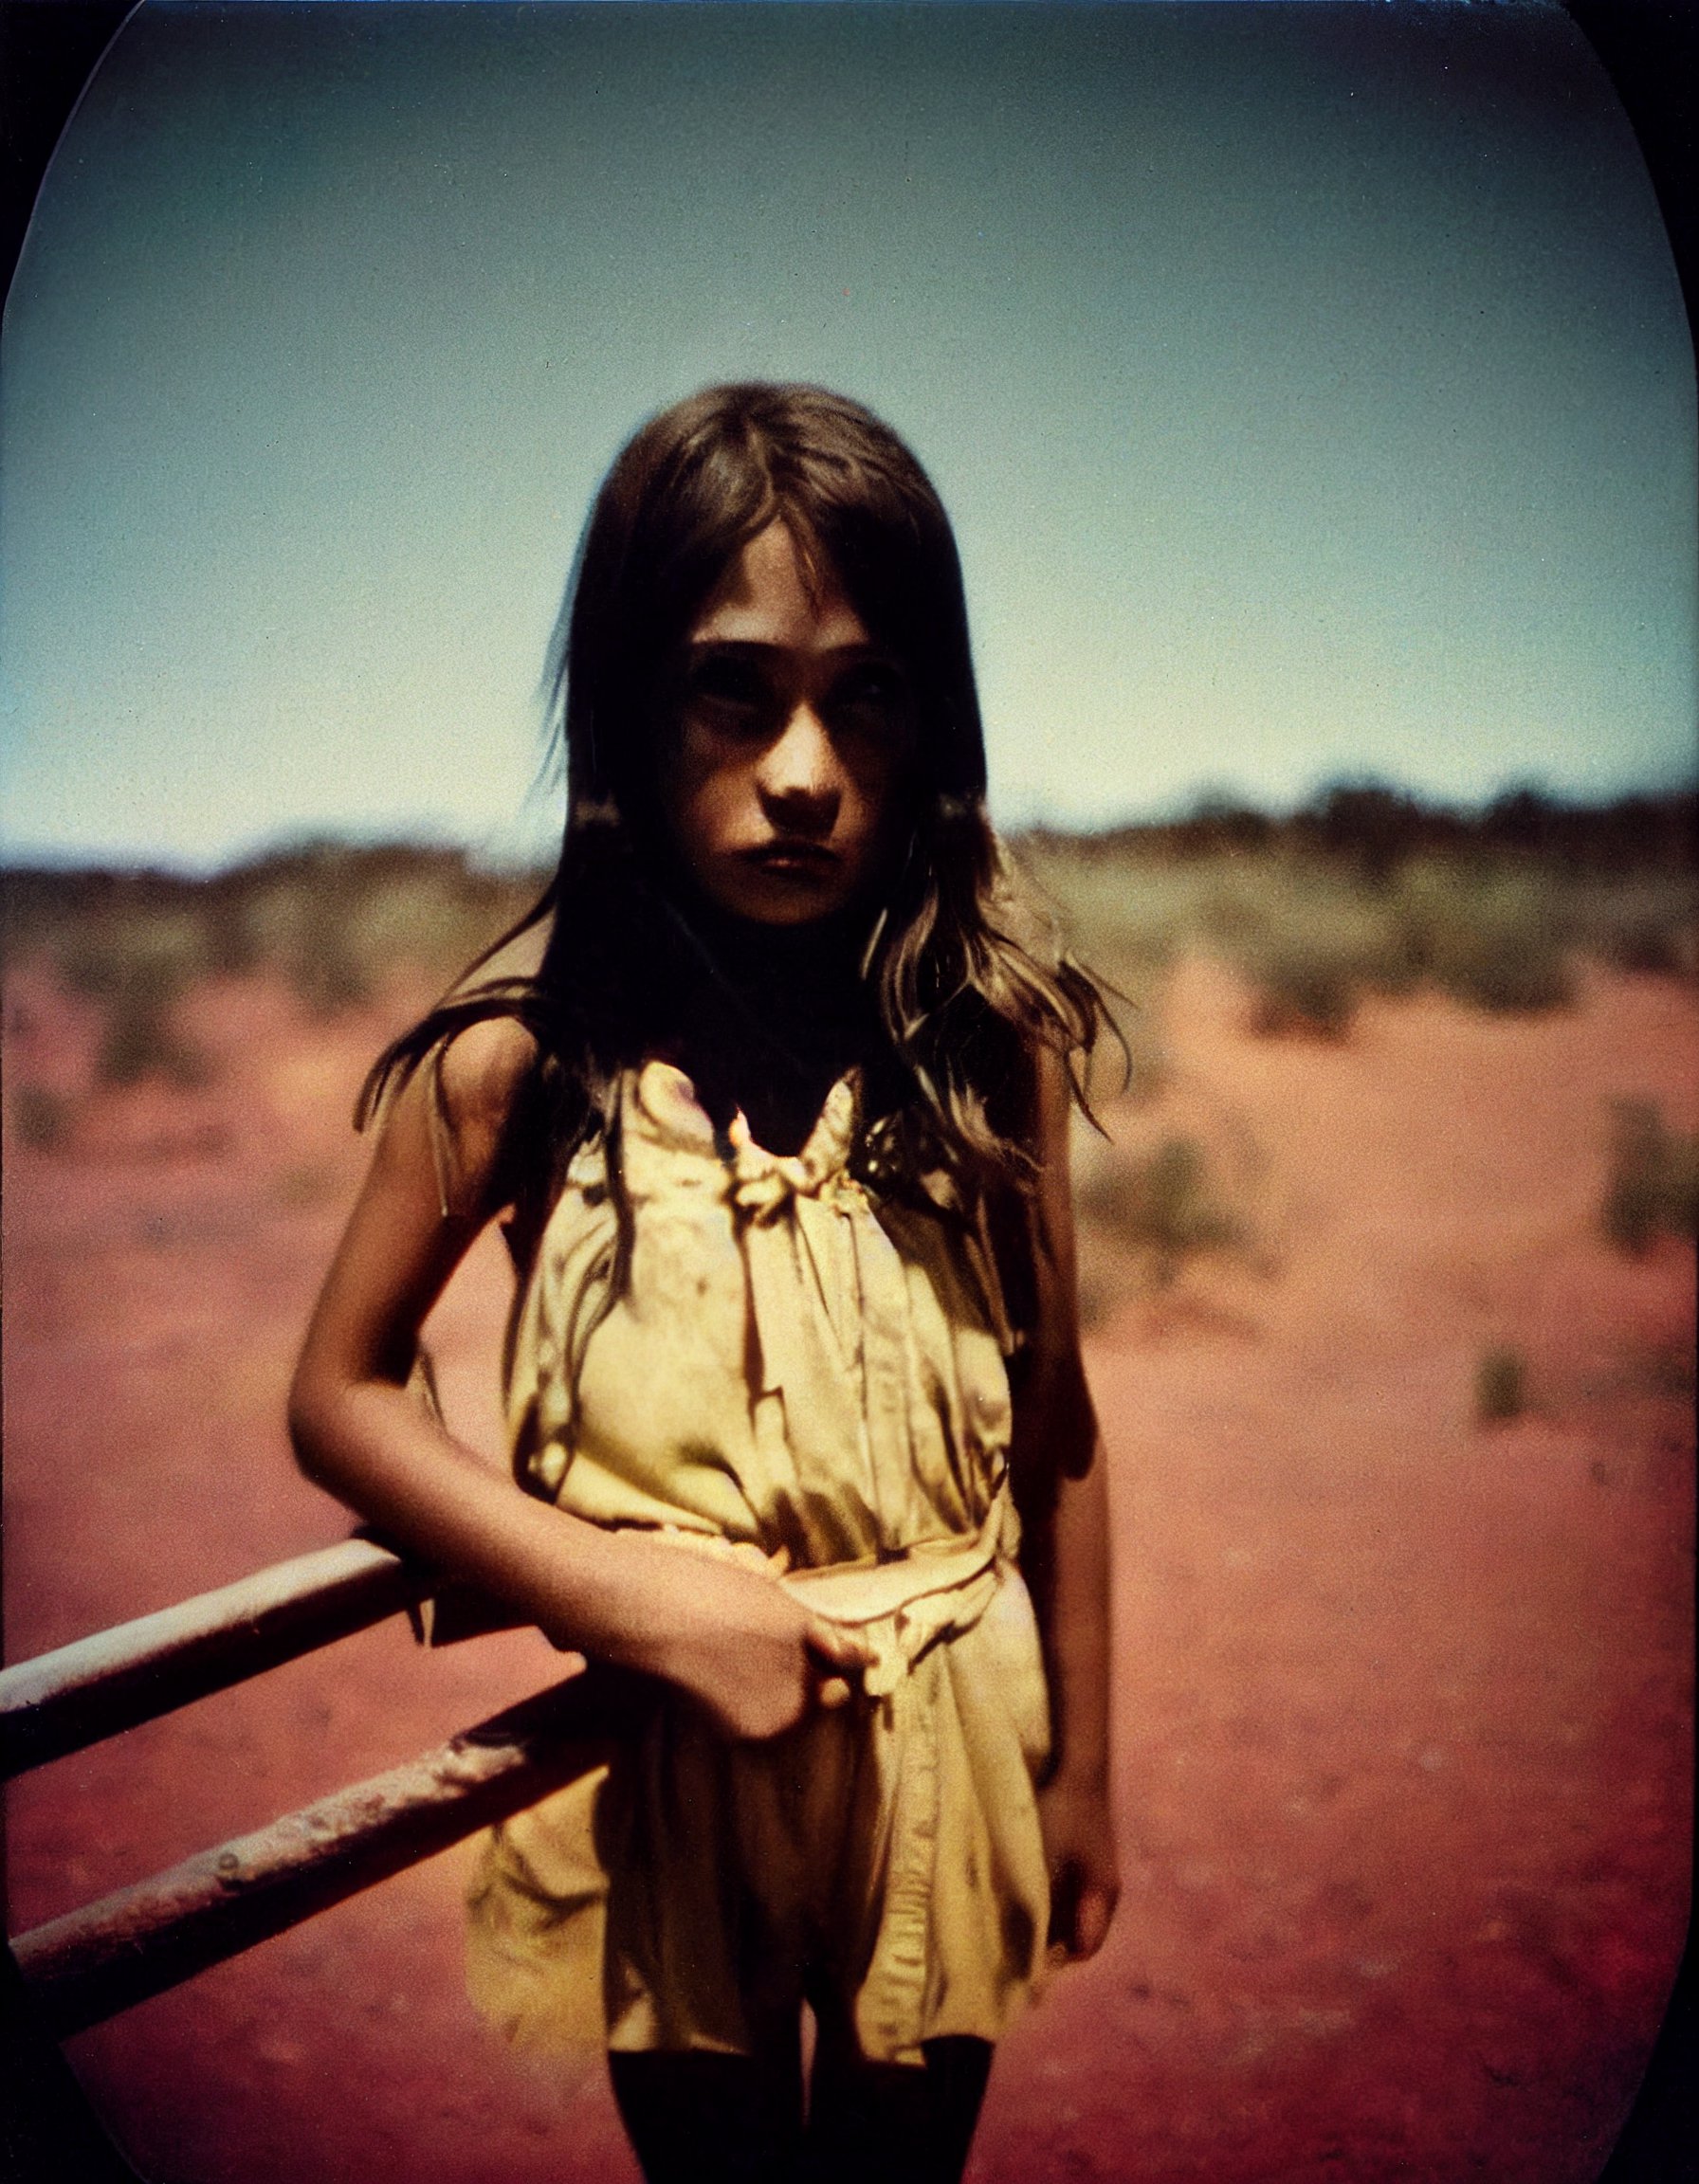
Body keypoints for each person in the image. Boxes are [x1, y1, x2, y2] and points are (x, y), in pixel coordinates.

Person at [289, 382, 1119, 2184]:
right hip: (672, 1769)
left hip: (958, 1737)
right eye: (733, 690)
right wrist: (620, 1593)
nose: (804, 767)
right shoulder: (523, 1062)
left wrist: (1083, 1772)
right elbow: (339, 1393)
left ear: (937, 725)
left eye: (867, 693)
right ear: (627, 708)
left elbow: (1056, 1433)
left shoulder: (987, 1050)